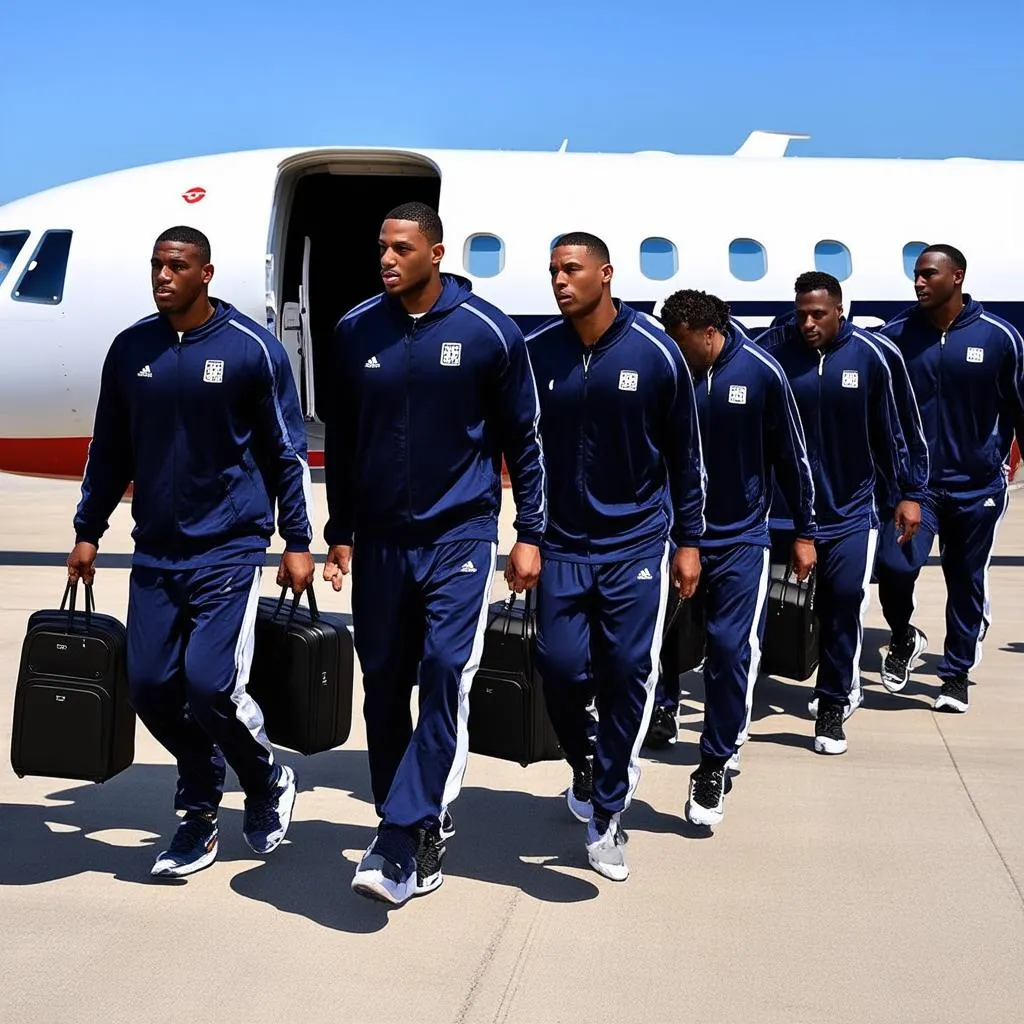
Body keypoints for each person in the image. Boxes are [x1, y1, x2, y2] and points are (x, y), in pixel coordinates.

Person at [67, 225, 313, 878]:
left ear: (206, 273)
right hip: (156, 554)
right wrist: (88, 530)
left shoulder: (250, 351)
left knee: (210, 684)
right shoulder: (130, 351)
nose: (162, 276)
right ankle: (203, 783)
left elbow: (286, 452)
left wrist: (297, 539)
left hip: (228, 550)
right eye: (155, 265)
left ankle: (256, 783)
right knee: (148, 687)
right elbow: (109, 451)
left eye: (176, 266)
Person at [322, 202, 546, 906]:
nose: (387, 259)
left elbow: (525, 441)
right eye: (381, 248)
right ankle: (412, 814)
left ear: (436, 253)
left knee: (445, 670)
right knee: (385, 687)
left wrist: (530, 531)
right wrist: (339, 530)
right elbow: (345, 443)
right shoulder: (355, 330)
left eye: (401, 248)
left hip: (460, 537)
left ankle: (397, 836)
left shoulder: (488, 333)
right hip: (383, 541)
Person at [525, 232, 705, 881]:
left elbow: (686, 457)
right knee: (561, 668)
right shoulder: (537, 353)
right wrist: (522, 531)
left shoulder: (656, 353)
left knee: (629, 669)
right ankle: (586, 761)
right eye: (553, 271)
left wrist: (689, 541)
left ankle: (606, 815)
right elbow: (516, 446)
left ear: (605, 274)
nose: (560, 280)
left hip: (636, 544)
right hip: (562, 544)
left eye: (571, 269)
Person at [660, 289, 816, 823]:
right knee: (661, 643)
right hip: (672, 536)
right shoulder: (668, 370)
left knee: (729, 649)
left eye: (682, 344)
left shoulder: (760, 373)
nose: (675, 354)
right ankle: (663, 707)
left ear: (710, 333)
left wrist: (804, 532)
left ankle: (714, 761)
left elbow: (791, 456)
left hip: (740, 540)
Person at [759, 272, 924, 754]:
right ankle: (747, 693)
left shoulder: (874, 356)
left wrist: (909, 492)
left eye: (818, 315)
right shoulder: (773, 351)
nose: (807, 324)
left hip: (851, 509)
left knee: (843, 601)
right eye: (801, 314)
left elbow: (899, 430)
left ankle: (832, 703)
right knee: (763, 612)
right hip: (783, 511)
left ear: (839, 311)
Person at [876, 244, 1024, 712]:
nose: (918, 282)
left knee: (964, 579)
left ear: (956, 277)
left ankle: (955, 673)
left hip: (977, 484)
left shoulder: (1000, 338)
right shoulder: (897, 336)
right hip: (915, 489)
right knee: (895, 569)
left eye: (928, 275)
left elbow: (1020, 409)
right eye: (916, 275)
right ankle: (903, 637)